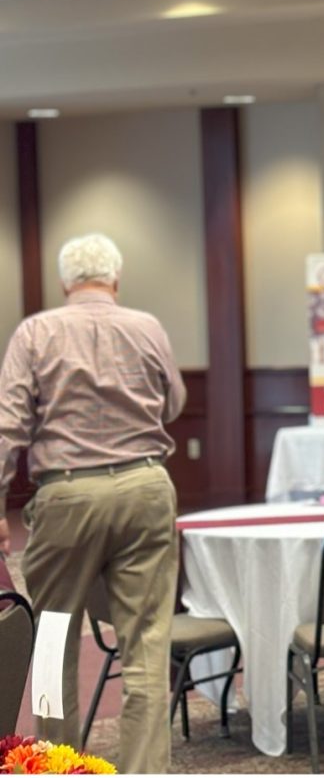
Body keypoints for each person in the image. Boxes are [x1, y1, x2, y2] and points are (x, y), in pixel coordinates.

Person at [0, 233, 185, 773]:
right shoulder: (147, 327)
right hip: (146, 487)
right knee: (147, 645)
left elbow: (8, 427)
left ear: (64, 283)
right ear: (116, 280)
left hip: (68, 494)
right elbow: (173, 402)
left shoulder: (36, 331)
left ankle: (60, 768)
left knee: (55, 638)